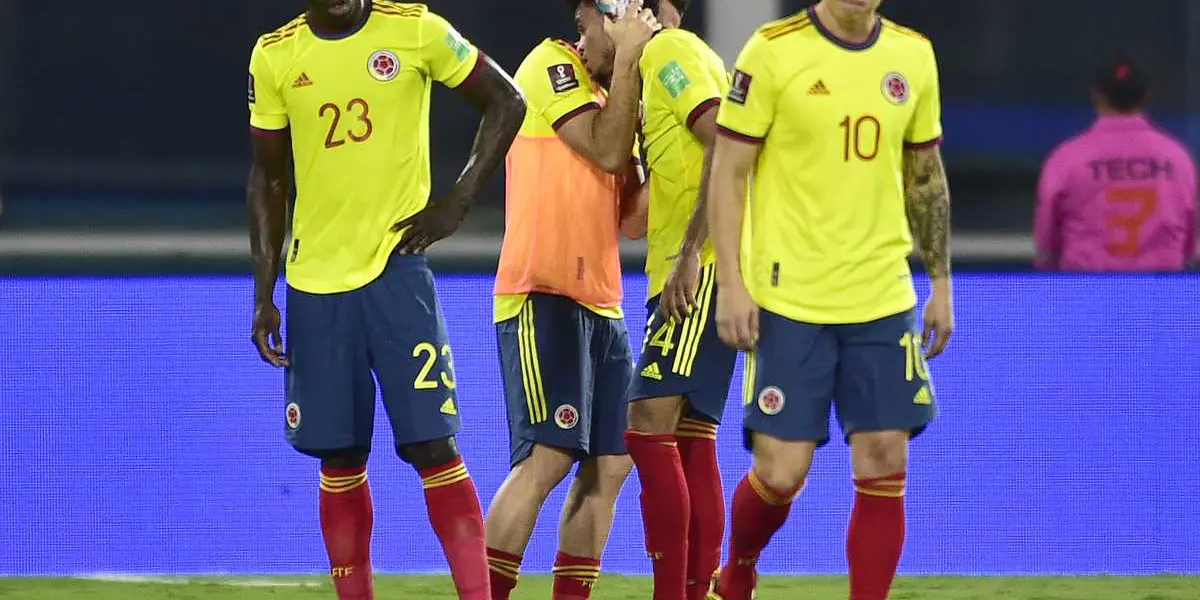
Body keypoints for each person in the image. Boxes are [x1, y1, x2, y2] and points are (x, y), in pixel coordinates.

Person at [245, 1, 525, 599]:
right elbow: (268, 178)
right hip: (315, 287)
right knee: (339, 458)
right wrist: (265, 294)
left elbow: (508, 100)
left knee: (433, 445)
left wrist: (460, 199)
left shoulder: (415, 29)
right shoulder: (275, 54)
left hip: (396, 274)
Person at [705, 1, 953, 599]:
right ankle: (738, 567)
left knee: (884, 455)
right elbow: (729, 172)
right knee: (781, 472)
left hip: (881, 293)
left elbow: (925, 175)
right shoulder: (772, 51)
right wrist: (732, 285)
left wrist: (940, 284)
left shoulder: (912, 55)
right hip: (792, 299)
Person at [482, 1, 657, 599]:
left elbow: (633, 221)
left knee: (611, 463)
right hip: (542, 292)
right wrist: (630, 61)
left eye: (587, 26)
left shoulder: (619, 101)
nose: (579, 39)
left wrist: (684, 152)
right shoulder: (549, 65)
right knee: (550, 454)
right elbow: (606, 153)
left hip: (602, 304)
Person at [621, 1, 731, 599]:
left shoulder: (668, 51)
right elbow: (637, 221)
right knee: (690, 436)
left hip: (698, 268)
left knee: (645, 428)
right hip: (701, 265)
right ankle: (697, 589)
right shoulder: (689, 58)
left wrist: (690, 252)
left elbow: (725, 142)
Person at [1035, 57, 1197, 272]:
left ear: (1096, 95)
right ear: (1147, 95)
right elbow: (1189, 243)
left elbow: (1047, 248)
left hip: (1087, 294)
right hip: (1160, 297)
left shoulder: (1067, 158)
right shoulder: (1177, 158)